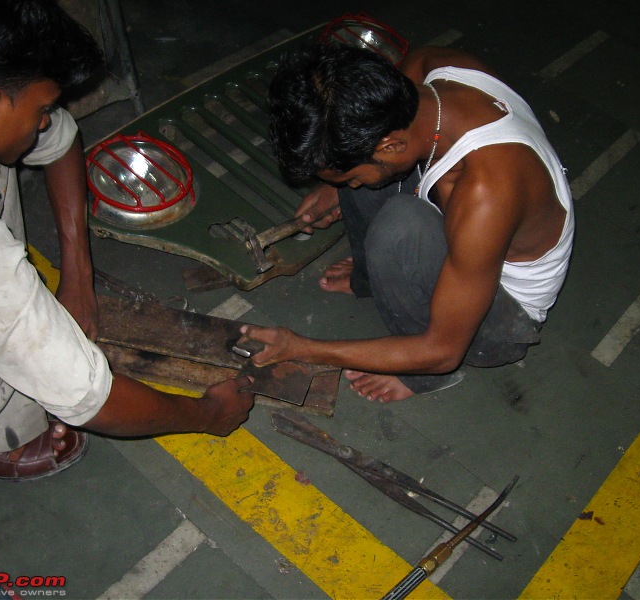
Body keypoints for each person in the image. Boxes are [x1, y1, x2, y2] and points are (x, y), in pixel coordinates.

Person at [0, 0, 254, 483]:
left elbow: (59, 142)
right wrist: (207, 416)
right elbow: (88, 397)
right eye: (41, 108)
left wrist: (79, 277)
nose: (44, 122)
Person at [238, 42, 574, 403]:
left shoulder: (487, 190)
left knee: (398, 228)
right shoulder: (430, 67)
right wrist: (334, 184)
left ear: (391, 145)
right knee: (372, 183)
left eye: (346, 177)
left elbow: (442, 350)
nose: (346, 185)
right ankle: (370, 277)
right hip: (468, 232)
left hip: (502, 318)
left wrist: (302, 348)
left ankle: (420, 378)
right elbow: (361, 150)